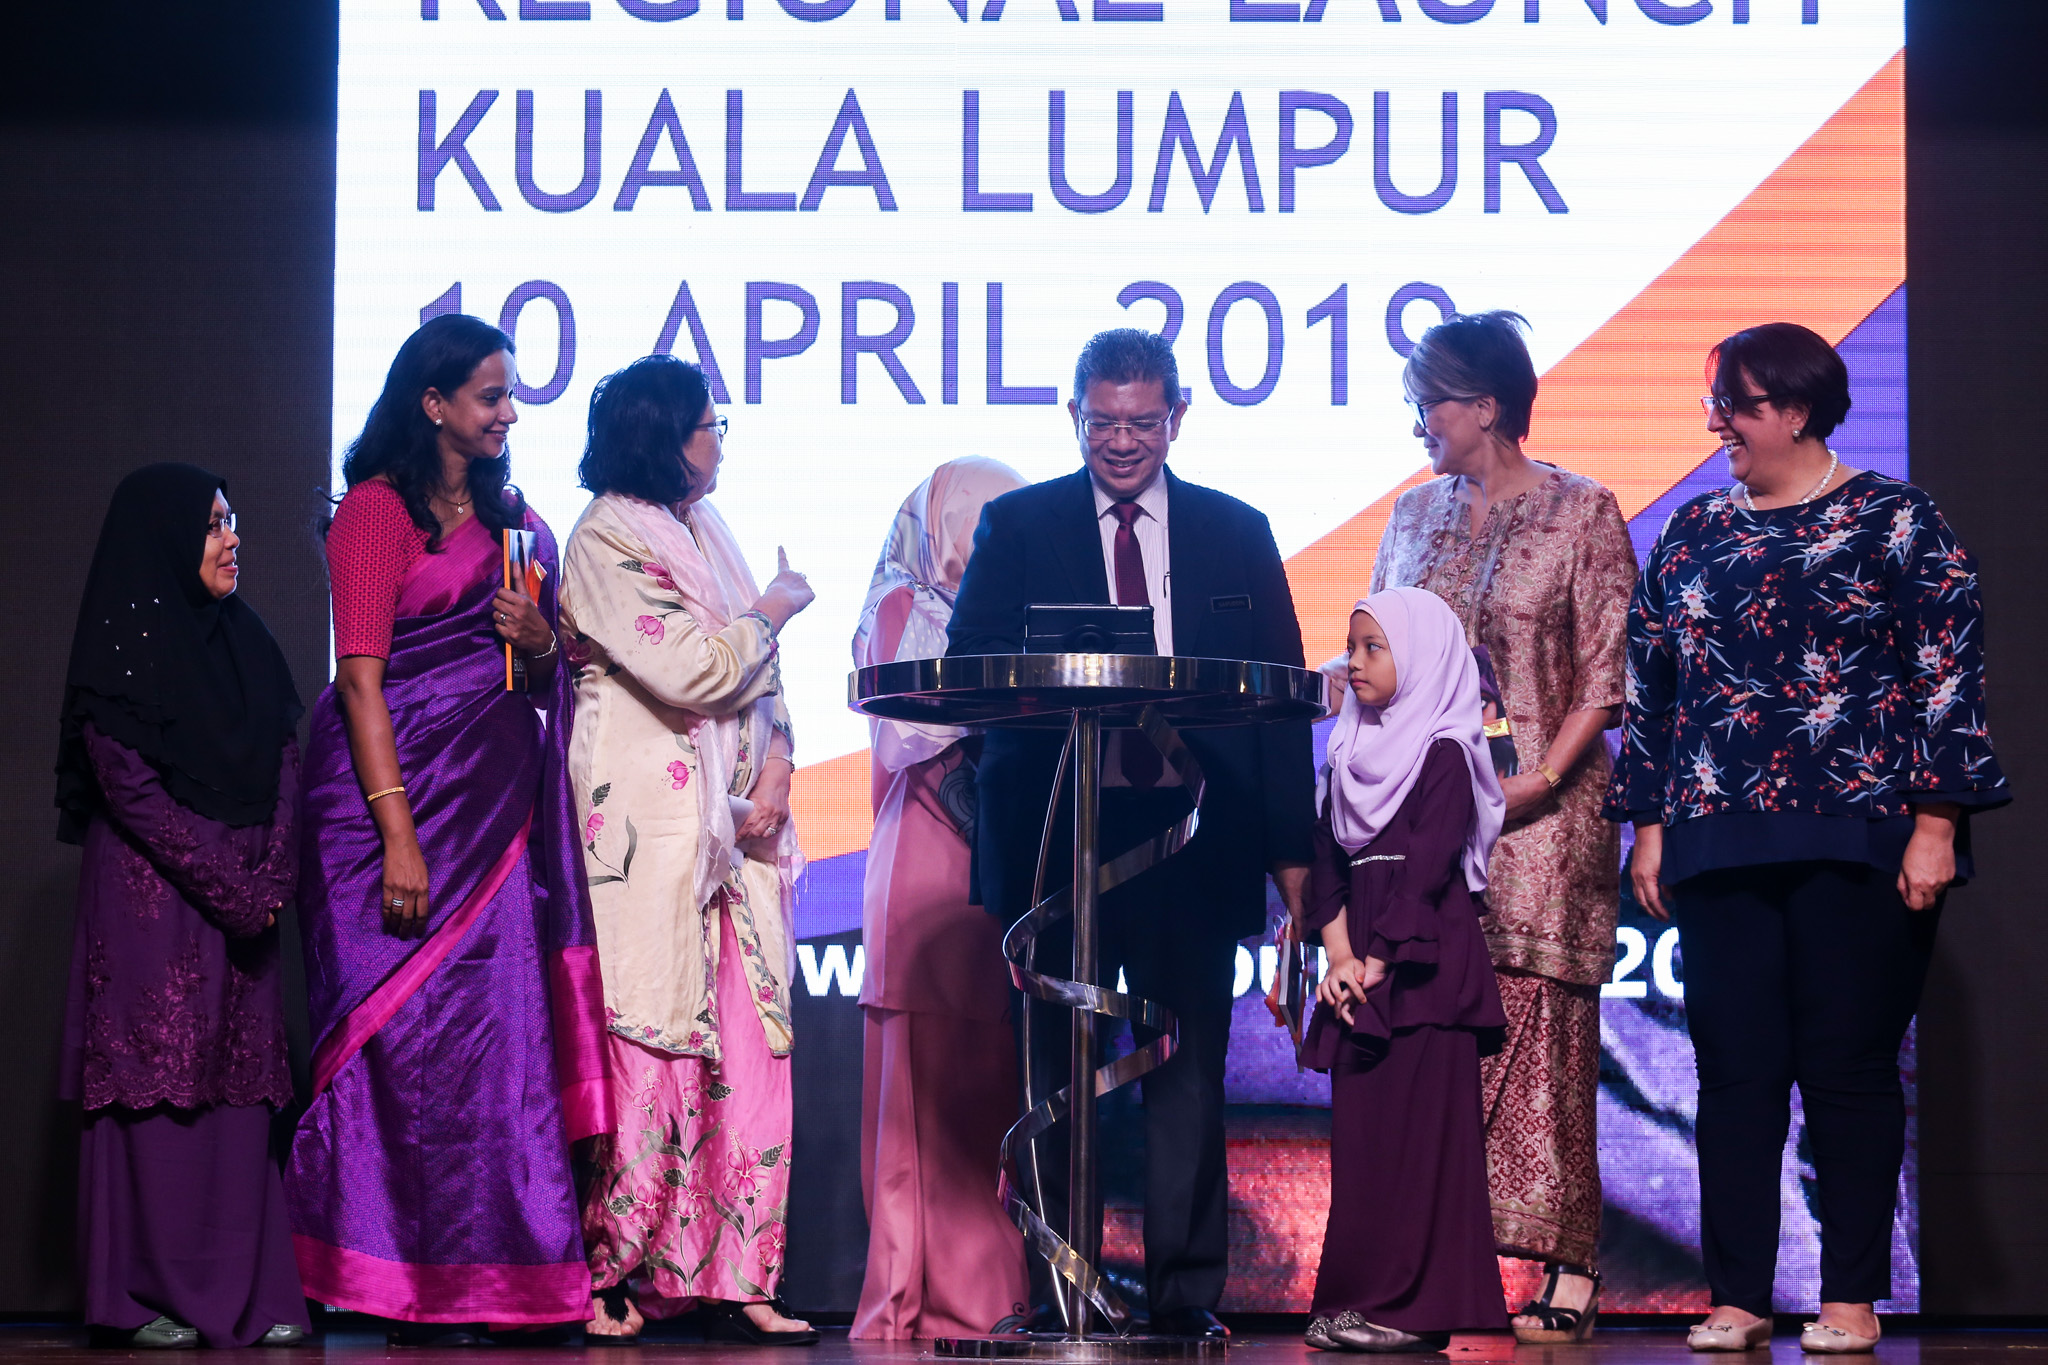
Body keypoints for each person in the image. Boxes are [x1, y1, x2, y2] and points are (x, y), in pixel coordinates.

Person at [1605, 322, 2008, 1354]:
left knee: (1846, 1069)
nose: (1713, 423)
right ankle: (1736, 1298)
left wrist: (1934, 821)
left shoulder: (1893, 521)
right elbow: (1649, 688)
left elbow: (1945, 677)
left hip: (1859, 835)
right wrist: (1648, 825)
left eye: (1732, 403)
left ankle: (1848, 1300)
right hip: (1713, 838)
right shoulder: (1692, 532)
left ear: (1792, 410)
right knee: (1732, 1072)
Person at [947, 328, 1316, 1340]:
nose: (1120, 442)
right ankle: (1057, 1292)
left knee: (1185, 1078)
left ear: (1177, 417)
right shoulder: (1016, 526)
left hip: (1190, 846)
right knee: (1054, 1080)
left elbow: (1281, 709)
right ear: (1072, 415)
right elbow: (970, 663)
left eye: (1140, 423)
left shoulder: (1236, 532)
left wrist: (1295, 870)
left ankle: (1184, 1298)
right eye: (1101, 422)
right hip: (1051, 844)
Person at [286, 314, 611, 1341]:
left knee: (491, 1047)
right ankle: (390, 1281)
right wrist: (397, 838)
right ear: (433, 405)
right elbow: (361, 683)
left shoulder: (519, 525)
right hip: (384, 811)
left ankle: (489, 1276)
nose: (509, 413)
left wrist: (543, 638)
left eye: (510, 395)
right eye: (489, 396)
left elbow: (541, 677)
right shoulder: (374, 517)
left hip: (493, 812)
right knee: (391, 1046)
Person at [1369, 310, 1636, 1341]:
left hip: (1542, 817)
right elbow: (1381, 651)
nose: (1417, 424)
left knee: (1542, 1035)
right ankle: (1438, 1260)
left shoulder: (1581, 511)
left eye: (1427, 403)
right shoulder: (1410, 516)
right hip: (1427, 815)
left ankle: (1567, 1263)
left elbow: (1603, 675)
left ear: (1485, 404)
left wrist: (1536, 781)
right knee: (1432, 1031)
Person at [558, 355, 818, 1346]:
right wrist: (778, 607)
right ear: (659, 435)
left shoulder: (703, 527)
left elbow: (760, 681)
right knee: (651, 1041)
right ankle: (610, 1270)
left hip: (737, 840)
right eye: (707, 424)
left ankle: (735, 1270)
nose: (718, 439)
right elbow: (694, 670)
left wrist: (781, 766)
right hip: (652, 831)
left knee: (747, 1051)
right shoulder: (603, 540)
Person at [55, 465, 308, 1349]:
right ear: (163, 540)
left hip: (242, 911)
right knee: (158, 1087)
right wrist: (231, 884)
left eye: (232, 520)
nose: (232, 538)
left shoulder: (252, 644)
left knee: (240, 1093)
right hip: (154, 904)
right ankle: (146, 1290)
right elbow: (128, 786)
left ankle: (248, 1287)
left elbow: (287, 759)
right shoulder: (121, 654)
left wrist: (271, 871)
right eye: (210, 525)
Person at [1298, 587, 1510, 1353]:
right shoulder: (1347, 750)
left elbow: (1424, 868)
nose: (1352, 664)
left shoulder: (1447, 751)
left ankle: (1411, 1307)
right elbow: (1326, 862)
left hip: (1422, 970)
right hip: (1362, 968)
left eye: (1371, 648)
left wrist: (1377, 960)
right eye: (1351, 646)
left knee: (1421, 1143)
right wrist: (1341, 956)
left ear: (1419, 659)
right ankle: (1353, 1297)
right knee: (1364, 1145)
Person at [851, 457, 1031, 1340]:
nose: (983, 542)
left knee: (980, 1091)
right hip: (930, 859)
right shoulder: (899, 608)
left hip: (993, 866)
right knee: (919, 1098)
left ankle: (985, 1292)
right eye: (977, 523)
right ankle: (918, 1298)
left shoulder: (1011, 615)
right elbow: (918, 735)